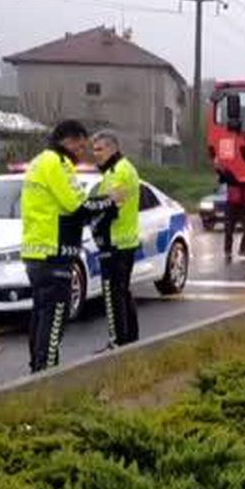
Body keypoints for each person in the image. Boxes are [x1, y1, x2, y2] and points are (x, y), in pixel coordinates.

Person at [20, 120, 122, 373]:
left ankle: (37, 367)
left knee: (41, 313)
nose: (82, 152)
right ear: (70, 141)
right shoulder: (58, 163)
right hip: (54, 251)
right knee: (56, 315)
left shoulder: (38, 162)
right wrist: (110, 202)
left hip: (36, 250)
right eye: (81, 145)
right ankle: (47, 373)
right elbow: (76, 206)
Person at [90, 130, 141, 349]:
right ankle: (130, 340)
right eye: (94, 150)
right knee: (122, 292)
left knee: (113, 296)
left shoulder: (119, 171)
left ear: (113, 148)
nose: (95, 154)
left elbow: (110, 204)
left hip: (116, 243)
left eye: (99, 149)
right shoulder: (117, 169)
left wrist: (91, 216)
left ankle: (118, 342)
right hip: (123, 241)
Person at [218, 167, 245, 261]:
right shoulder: (230, 173)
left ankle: (243, 249)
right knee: (229, 230)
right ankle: (228, 251)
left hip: (244, 206)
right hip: (231, 205)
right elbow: (222, 178)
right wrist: (219, 168)